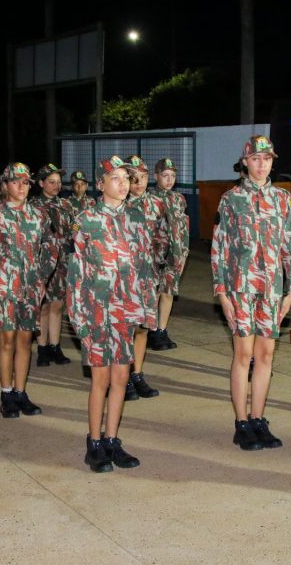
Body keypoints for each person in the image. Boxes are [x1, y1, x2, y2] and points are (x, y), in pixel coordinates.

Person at [67, 155, 156, 472]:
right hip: (96, 311)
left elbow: (145, 267)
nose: (123, 183)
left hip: (126, 310)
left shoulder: (136, 219)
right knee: (100, 380)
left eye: (126, 178)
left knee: (121, 376)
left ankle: (112, 440)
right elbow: (75, 272)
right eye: (115, 178)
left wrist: (147, 310)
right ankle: (93, 444)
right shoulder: (84, 219)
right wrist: (77, 318)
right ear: (100, 183)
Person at [211, 135, 291, 451]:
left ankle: (259, 419)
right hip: (241, 289)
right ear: (245, 162)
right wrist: (222, 294)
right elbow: (219, 249)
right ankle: (242, 422)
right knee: (243, 355)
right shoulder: (230, 199)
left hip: (273, 289)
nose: (262, 164)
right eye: (256, 159)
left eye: (268, 159)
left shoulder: (283, 200)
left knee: (265, 355)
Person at [0, 162, 58, 418]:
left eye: (26, 182)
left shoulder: (38, 215)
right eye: (16, 182)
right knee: (7, 341)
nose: (22, 187)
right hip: (5, 288)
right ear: (5, 185)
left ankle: (21, 392)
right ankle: (7, 393)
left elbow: (52, 247)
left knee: (25, 341)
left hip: (30, 289)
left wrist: (42, 278)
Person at [124, 155, 165, 400]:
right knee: (125, 329)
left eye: (143, 177)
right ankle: (123, 376)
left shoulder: (156, 204)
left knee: (142, 329)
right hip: (123, 278)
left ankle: (137, 374)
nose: (138, 182)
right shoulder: (117, 204)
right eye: (133, 178)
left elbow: (162, 239)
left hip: (148, 277)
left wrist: (158, 274)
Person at [31, 164, 76, 367]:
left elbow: (75, 229)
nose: (56, 185)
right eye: (52, 182)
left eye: (59, 182)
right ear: (41, 183)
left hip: (63, 263)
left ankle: (55, 347)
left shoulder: (66, 205)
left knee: (57, 306)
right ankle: (42, 349)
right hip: (41, 264)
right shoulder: (32, 206)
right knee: (43, 307)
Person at [148, 158, 190, 351]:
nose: (169, 180)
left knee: (168, 293)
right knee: (154, 293)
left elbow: (183, 228)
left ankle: (161, 330)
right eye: (165, 176)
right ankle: (150, 329)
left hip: (175, 255)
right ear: (156, 176)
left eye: (173, 176)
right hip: (155, 256)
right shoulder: (149, 198)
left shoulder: (179, 199)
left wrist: (184, 251)